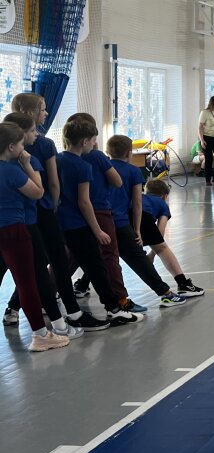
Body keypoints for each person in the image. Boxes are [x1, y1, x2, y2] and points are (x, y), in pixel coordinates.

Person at [3, 94, 85, 331]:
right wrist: (53, 204)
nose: (46, 113)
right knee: (44, 266)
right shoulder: (35, 152)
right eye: (43, 109)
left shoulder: (9, 154)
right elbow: (47, 187)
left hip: (15, 222)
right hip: (33, 215)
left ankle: (22, 312)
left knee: (27, 269)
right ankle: (64, 318)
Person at [0, 121, 68, 352]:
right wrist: (28, 165)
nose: (23, 148)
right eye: (21, 144)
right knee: (26, 282)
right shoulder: (12, 171)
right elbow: (38, 192)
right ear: (11, 147)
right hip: (14, 230)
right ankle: (40, 335)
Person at [55, 117, 128, 331]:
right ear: (85, 141)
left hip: (59, 223)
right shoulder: (83, 166)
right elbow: (84, 202)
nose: (95, 143)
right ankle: (114, 308)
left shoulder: (57, 159)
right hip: (77, 224)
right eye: (94, 139)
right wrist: (97, 230)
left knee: (64, 265)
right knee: (96, 266)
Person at [104, 135, 188, 308]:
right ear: (129, 154)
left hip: (101, 220)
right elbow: (137, 203)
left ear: (107, 152)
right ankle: (165, 293)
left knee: (100, 259)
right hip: (120, 222)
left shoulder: (102, 168)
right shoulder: (133, 171)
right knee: (139, 260)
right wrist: (137, 229)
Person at [139, 178, 205, 299]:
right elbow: (160, 233)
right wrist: (153, 254)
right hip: (144, 218)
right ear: (164, 196)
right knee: (163, 248)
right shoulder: (162, 203)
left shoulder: (140, 197)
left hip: (124, 222)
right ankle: (183, 284)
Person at [198, 96, 214, 186]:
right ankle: (208, 180)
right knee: (209, 160)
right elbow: (200, 127)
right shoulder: (204, 112)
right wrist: (202, 140)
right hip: (207, 138)